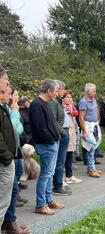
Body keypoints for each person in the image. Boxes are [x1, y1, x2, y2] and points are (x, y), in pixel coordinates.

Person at [29, 79, 64, 215]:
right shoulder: (37, 104)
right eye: (55, 91)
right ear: (49, 90)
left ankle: (49, 200)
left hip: (52, 143)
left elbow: (51, 124)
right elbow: (40, 128)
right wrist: (50, 140)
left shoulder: (46, 103)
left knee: (50, 174)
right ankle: (40, 204)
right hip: (46, 144)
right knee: (45, 175)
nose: (56, 93)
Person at [2, 86, 31, 234]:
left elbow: (18, 129)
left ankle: (9, 222)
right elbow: (14, 128)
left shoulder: (8, 109)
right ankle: (9, 223)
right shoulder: (8, 110)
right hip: (8, 155)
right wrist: (14, 112)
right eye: (14, 94)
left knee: (13, 188)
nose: (16, 98)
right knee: (9, 190)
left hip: (14, 151)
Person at [0, 65, 19, 234]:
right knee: (1, 203)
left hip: (5, 161)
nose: (8, 82)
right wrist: (7, 157)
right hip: (3, 163)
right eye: (6, 79)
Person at [49, 80, 71, 196]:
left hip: (63, 132)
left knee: (61, 161)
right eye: (61, 89)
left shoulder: (58, 101)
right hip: (60, 133)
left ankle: (59, 183)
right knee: (59, 161)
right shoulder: (53, 102)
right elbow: (54, 121)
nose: (63, 92)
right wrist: (63, 133)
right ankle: (57, 185)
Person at [78, 83, 102, 178]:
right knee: (90, 148)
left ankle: (91, 167)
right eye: (93, 91)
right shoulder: (83, 102)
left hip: (94, 125)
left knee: (93, 147)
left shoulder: (94, 100)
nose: (95, 93)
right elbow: (81, 118)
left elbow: (96, 111)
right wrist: (84, 131)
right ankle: (91, 169)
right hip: (87, 126)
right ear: (87, 91)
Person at [63, 91, 82, 184]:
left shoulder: (72, 107)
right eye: (67, 97)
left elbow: (76, 113)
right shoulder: (63, 108)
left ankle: (69, 175)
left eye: (70, 97)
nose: (69, 99)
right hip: (66, 132)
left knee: (69, 155)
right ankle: (63, 178)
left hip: (72, 131)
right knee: (64, 156)